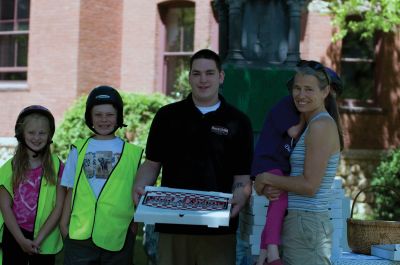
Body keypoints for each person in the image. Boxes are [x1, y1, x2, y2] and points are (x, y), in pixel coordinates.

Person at [133, 49, 254, 265]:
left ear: (221, 77)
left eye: (209, 73)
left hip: (218, 229)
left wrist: (241, 196)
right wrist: (139, 187)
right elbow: (152, 164)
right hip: (172, 226)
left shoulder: (238, 121)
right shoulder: (167, 116)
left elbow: (242, 177)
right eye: (196, 74)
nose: (203, 80)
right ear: (189, 77)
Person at [254, 60, 343, 265]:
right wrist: (268, 186)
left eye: (309, 89)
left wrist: (267, 177)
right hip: (301, 221)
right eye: (297, 88)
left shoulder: (320, 125)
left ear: (325, 91)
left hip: (307, 222)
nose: (301, 95)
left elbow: (309, 186)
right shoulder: (312, 123)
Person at [59, 86, 143, 265]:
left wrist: (133, 228)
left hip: (117, 235)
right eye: (98, 115)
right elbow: (70, 190)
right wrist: (63, 226)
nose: (104, 120)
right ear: (90, 117)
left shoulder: (132, 154)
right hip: (80, 234)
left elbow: (135, 192)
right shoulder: (78, 149)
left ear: (118, 116)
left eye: (110, 115)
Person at [0, 105, 65, 265]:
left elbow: (59, 206)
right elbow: (5, 207)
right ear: (21, 134)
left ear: (49, 134)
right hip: (14, 235)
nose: (37, 137)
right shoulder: (10, 168)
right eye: (31, 132)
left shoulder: (58, 167)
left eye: (42, 133)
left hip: (45, 237)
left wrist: (39, 238)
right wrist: (21, 240)